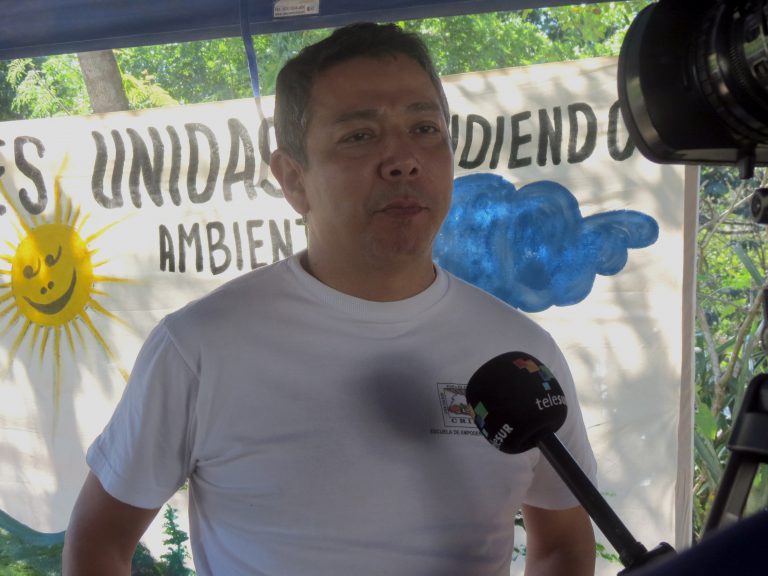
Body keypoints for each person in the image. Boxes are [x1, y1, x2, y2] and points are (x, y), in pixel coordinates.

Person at [63, 22, 597, 576]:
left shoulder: (522, 355)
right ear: (293, 179)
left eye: (424, 128)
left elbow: (562, 541)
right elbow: (98, 544)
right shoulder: (198, 348)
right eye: (359, 136)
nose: (403, 160)